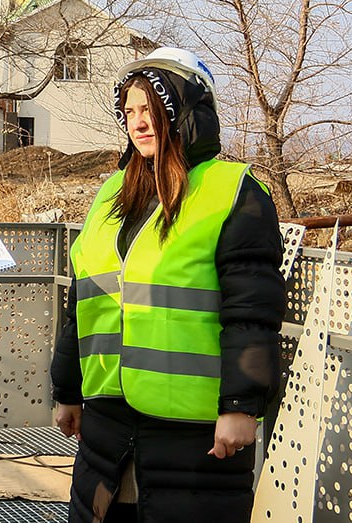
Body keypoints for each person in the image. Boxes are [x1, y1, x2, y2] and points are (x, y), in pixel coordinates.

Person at [49, 47, 286, 523]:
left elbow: (252, 312)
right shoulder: (112, 193)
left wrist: (241, 405)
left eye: (152, 110)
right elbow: (85, 299)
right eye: (130, 111)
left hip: (193, 435)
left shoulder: (232, 191)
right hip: (107, 426)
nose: (139, 123)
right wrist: (68, 389)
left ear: (185, 112)